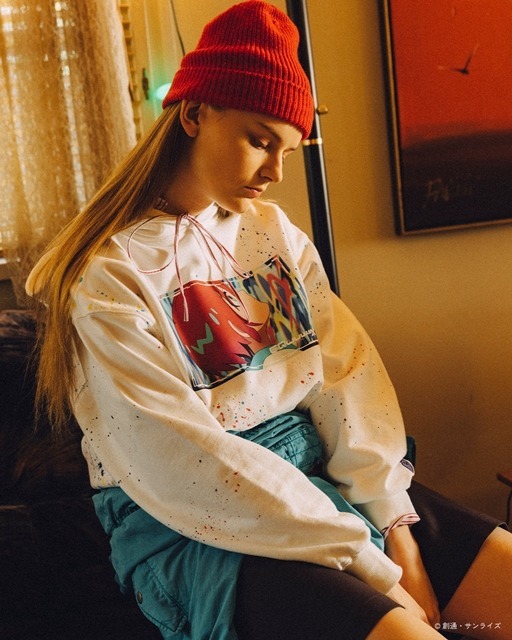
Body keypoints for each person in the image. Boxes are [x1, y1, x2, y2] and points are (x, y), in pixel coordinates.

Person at [26, 2, 512, 639]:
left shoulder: (272, 233)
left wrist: (396, 527)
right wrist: (372, 566)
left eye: (288, 148)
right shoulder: (108, 273)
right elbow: (177, 456)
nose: (276, 172)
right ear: (194, 115)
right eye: (259, 140)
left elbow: (343, 379)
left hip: (316, 479)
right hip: (196, 515)